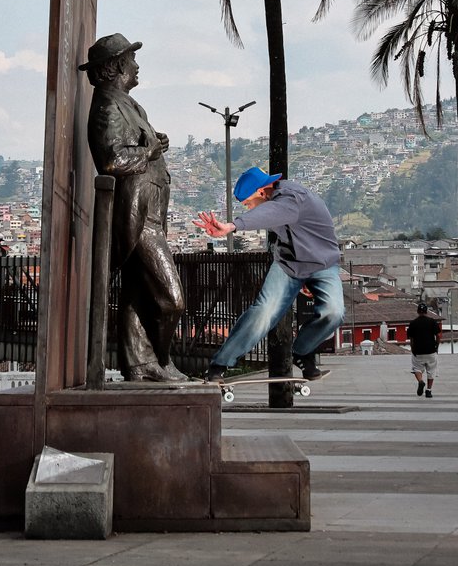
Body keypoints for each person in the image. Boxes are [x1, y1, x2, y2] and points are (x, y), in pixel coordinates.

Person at [81, 33, 186, 383]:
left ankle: (141, 366)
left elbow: (139, 147)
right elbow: (111, 160)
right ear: (115, 67)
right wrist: (150, 152)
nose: (136, 65)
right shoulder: (108, 106)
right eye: (131, 59)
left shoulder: (130, 105)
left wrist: (156, 144)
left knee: (137, 295)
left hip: (150, 212)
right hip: (136, 217)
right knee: (171, 300)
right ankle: (162, 360)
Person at [192, 166, 345, 381]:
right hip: (289, 265)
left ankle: (302, 352)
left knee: (334, 312)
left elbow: (270, 212)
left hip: (323, 265)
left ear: (262, 192)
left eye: (248, 203)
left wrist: (232, 226)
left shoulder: (292, 198)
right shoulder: (276, 199)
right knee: (263, 312)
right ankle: (219, 365)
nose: (249, 208)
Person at [407, 301, 441, 398]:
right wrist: (436, 345)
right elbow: (438, 335)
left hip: (418, 351)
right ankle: (429, 391)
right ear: (426, 311)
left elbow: (411, 338)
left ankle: (421, 381)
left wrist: (412, 348)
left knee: (417, 369)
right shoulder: (432, 322)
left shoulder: (413, 323)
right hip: (431, 350)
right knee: (431, 371)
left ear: (418, 311)